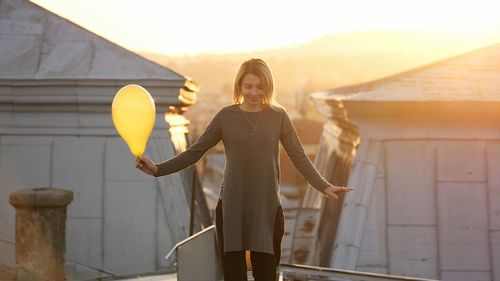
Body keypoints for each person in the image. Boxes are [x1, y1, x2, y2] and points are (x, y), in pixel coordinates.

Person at [135, 58, 353, 281]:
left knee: (266, 276)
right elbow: (195, 152)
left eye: (260, 86)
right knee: (234, 277)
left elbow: (299, 156)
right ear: (239, 86)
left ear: (268, 87)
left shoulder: (278, 116)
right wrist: (157, 169)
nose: (254, 92)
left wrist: (324, 186)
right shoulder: (225, 116)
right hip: (231, 209)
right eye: (248, 86)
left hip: (266, 210)